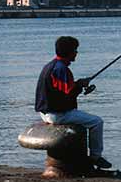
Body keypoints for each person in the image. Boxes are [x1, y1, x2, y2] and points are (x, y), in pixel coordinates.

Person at [35, 35, 111, 169]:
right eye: (75, 50)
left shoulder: (50, 65)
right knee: (96, 122)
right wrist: (80, 86)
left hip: (44, 112)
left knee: (85, 118)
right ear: (69, 52)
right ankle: (95, 157)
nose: (76, 53)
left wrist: (79, 84)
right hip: (56, 115)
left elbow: (62, 90)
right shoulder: (62, 69)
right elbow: (68, 94)